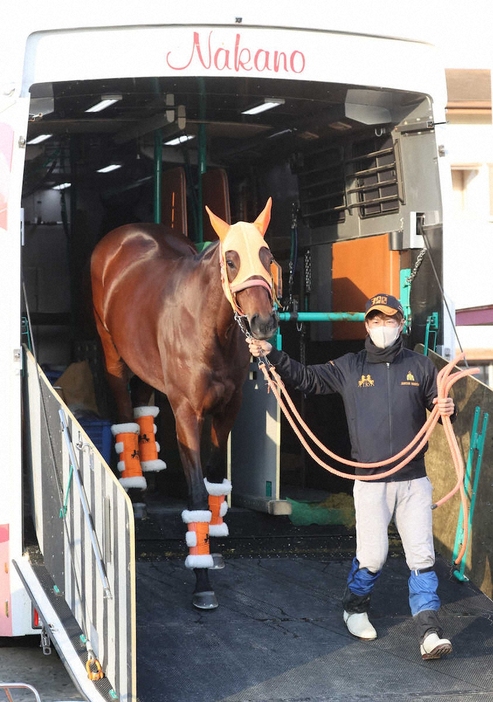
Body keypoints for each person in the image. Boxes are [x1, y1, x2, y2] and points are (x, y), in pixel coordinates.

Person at [247, 293, 455, 660]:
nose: (382, 327)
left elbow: (439, 410)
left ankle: (429, 631)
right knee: (372, 555)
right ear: (367, 326)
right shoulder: (349, 366)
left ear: (401, 324)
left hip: (413, 480)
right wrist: (271, 353)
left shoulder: (421, 367)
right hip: (370, 481)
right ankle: (354, 608)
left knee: (421, 555)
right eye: (375, 321)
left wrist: (447, 409)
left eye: (389, 320)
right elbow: (307, 379)